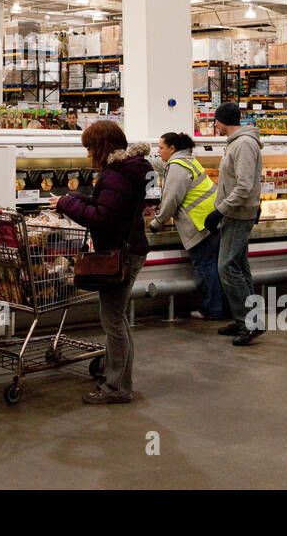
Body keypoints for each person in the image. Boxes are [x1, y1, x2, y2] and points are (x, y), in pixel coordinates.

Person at [52, 121, 151, 403]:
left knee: (113, 322)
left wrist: (65, 205)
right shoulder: (126, 170)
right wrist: (71, 197)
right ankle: (118, 379)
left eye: (89, 148)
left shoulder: (116, 174)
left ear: (102, 146)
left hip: (120, 254)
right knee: (117, 319)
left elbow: (102, 218)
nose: (87, 155)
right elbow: (108, 205)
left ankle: (117, 388)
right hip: (130, 249)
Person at [203, 102, 266, 346]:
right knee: (239, 267)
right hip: (235, 213)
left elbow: (244, 185)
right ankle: (247, 319)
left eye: (216, 121)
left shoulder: (243, 144)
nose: (214, 125)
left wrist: (220, 211)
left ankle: (248, 322)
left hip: (239, 214)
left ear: (223, 121)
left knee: (227, 267)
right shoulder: (237, 143)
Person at [149, 132, 224, 321]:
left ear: (172, 149)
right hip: (212, 219)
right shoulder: (187, 160)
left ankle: (213, 309)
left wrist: (157, 222)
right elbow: (160, 163)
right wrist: (140, 155)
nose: (158, 152)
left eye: (161, 148)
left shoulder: (177, 167)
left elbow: (171, 199)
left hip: (199, 224)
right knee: (214, 266)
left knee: (205, 267)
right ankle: (223, 306)